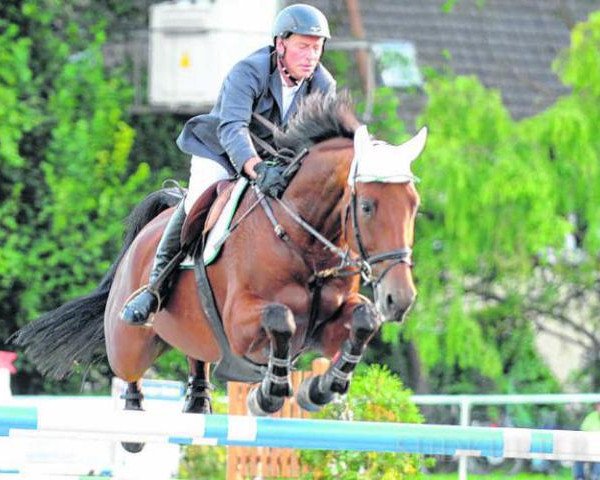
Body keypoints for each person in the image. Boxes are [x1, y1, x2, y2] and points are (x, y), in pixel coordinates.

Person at [120, 3, 336, 326]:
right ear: (281, 44)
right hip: (221, 152)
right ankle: (155, 287)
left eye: (316, 47)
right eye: (303, 46)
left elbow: (319, 142)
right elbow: (232, 127)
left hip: (276, 164)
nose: (311, 56)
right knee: (198, 200)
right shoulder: (248, 72)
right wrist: (256, 167)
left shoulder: (322, 85)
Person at [573, 402, 600, 480]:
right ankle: (579, 477)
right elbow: (582, 433)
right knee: (578, 455)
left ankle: (596, 477)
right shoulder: (591, 417)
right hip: (588, 448)